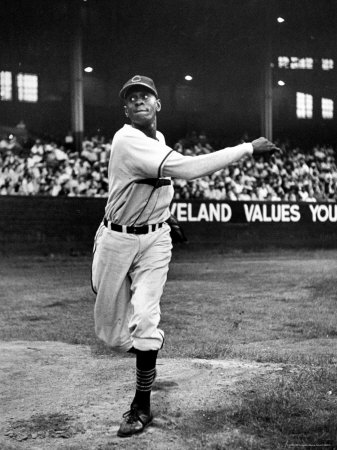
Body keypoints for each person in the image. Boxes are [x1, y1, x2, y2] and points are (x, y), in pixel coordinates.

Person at [91, 74, 279, 438]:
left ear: (158, 104)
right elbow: (188, 170)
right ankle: (147, 359)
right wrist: (246, 148)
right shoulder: (126, 138)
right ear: (125, 110)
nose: (139, 101)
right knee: (112, 337)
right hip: (116, 239)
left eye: (145, 95)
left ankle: (140, 405)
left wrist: (164, 213)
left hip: (156, 239)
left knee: (145, 319)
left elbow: (157, 184)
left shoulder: (158, 139)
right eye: (131, 98)